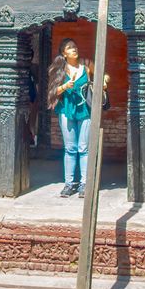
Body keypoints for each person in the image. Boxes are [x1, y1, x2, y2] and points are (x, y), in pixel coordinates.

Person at [46, 38, 107, 198]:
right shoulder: (58, 69)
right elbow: (52, 92)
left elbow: (104, 75)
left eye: (75, 46)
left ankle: (85, 184)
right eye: (70, 47)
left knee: (84, 148)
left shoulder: (86, 65)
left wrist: (104, 81)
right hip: (66, 111)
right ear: (63, 53)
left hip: (85, 110)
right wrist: (65, 86)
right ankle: (69, 184)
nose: (74, 49)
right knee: (70, 149)